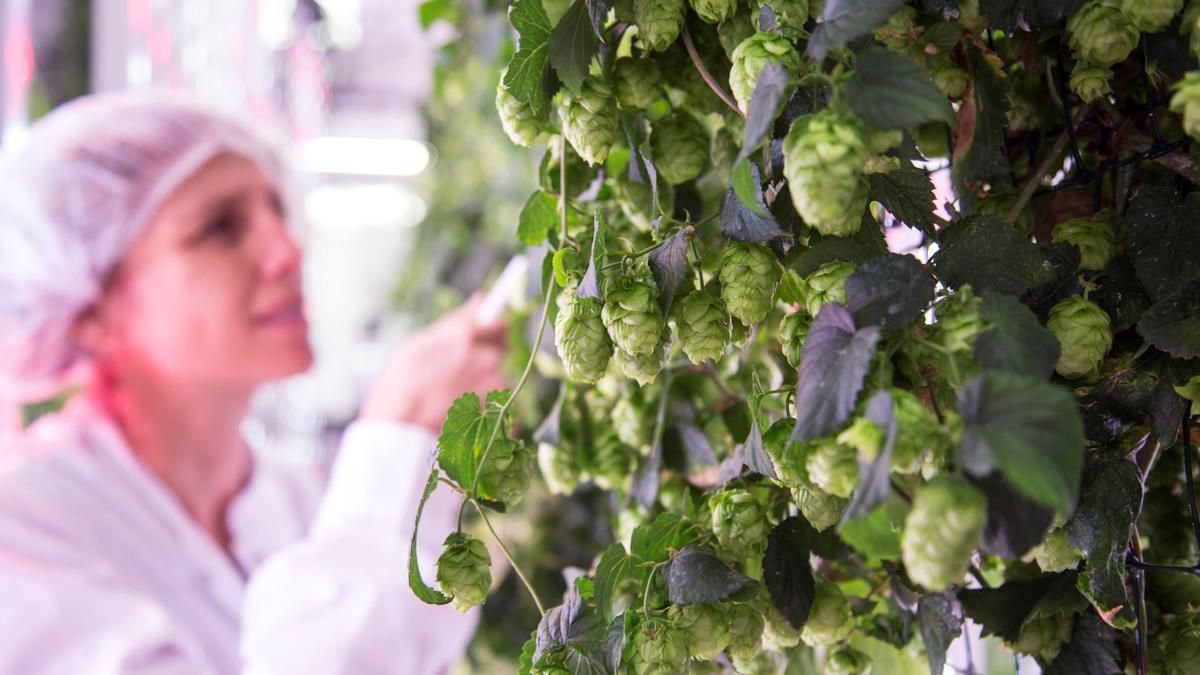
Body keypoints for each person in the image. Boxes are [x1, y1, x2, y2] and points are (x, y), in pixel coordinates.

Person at [0, 91, 507, 674]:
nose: (287, 251)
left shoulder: (293, 501)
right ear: (91, 311)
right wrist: (394, 463)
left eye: (277, 209)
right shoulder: (22, 535)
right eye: (220, 228)